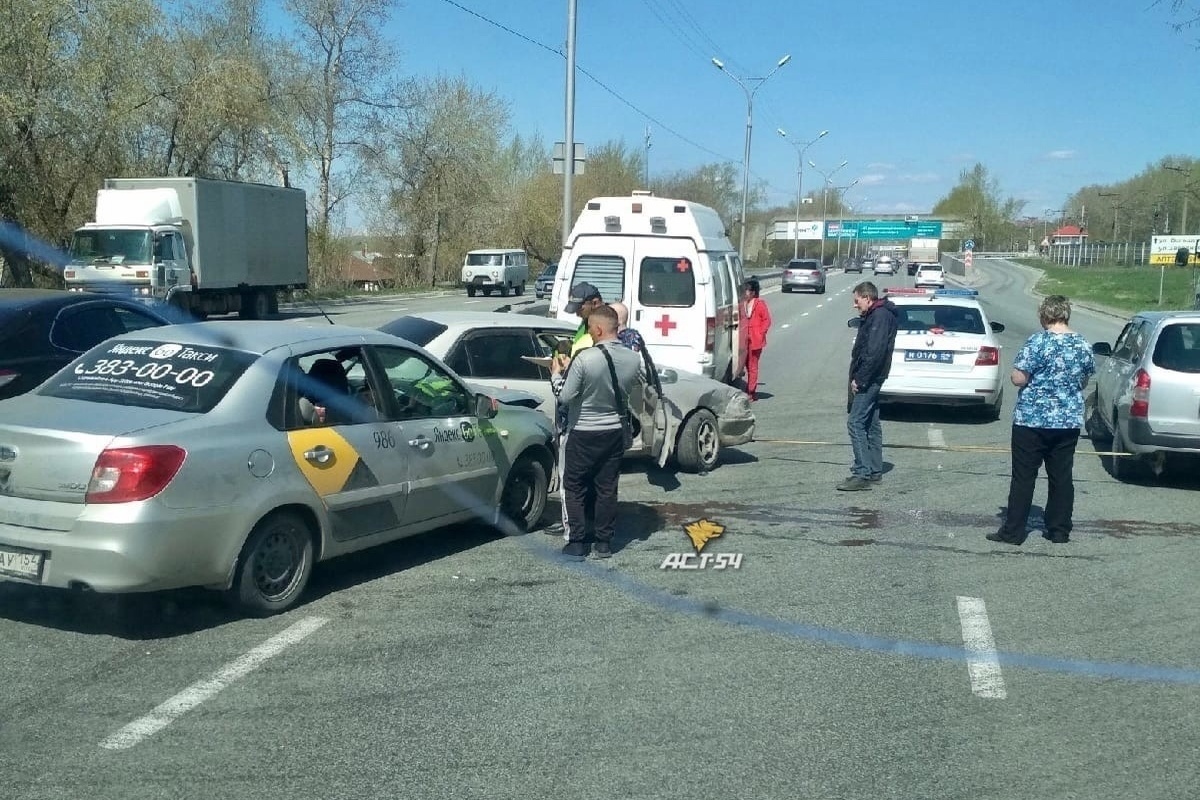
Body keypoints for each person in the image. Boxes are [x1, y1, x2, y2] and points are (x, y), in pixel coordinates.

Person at [988, 295, 1095, 545]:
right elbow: (1084, 380)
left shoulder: (1037, 342)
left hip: (1032, 420)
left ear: (1044, 316)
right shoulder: (1081, 344)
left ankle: (1013, 531)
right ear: (1066, 315)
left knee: (1024, 476)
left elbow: (1019, 378)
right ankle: (1058, 531)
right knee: (1062, 476)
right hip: (1067, 420)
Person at [549, 304, 641, 559]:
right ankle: (604, 542)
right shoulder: (633, 359)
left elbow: (565, 396)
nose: (588, 333)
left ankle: (577, 542)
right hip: (613, 431)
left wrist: (556, 375)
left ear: (599, 329)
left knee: (575, 485)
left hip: (584, 431)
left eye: (590, 328)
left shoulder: (586, 359)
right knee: (607, 487)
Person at [839, 281, 898, 491]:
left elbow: (874, 353)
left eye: (857, 301)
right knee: (871, 424)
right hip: (873, 376)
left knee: (855, 423)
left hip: (871, 377)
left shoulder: (879, 317)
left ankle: (862, 472)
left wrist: (860, 379)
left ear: (867, 297)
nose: (855, 305)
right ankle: (874, 470)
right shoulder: (875, 315)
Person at [741, 278, 772, 400]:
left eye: (747, 291)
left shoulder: (759, 304)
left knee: (752, 366)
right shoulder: (742, 304)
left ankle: (751, 391)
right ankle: (745, 387)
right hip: (743, 340)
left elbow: (767, 320)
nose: (744, 293)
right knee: (743, 365)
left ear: (753, 292)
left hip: (755, 340)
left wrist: (760, 332)